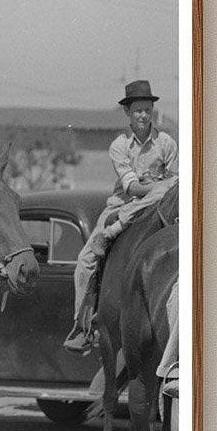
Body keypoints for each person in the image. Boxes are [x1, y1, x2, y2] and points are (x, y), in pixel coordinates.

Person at [63, 79, 178, 354]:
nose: (143, 115)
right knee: (85, 259)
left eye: (147, 110)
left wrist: (165, 188)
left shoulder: (167, 143)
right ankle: (82, 326)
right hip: (121, 206)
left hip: (158, 206)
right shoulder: (119, 146)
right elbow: (132, 188)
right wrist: (161, 186)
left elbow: (175, 184)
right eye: (137, 110)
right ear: (128, 113)